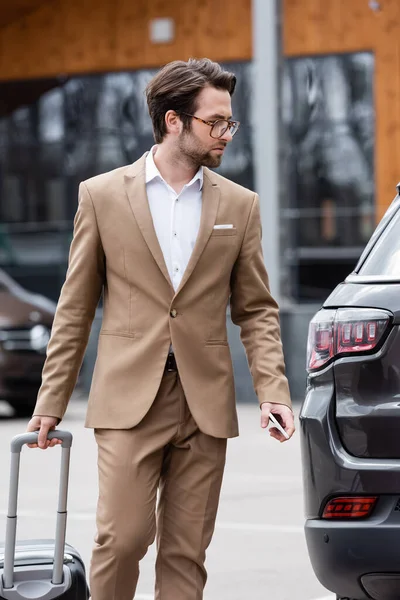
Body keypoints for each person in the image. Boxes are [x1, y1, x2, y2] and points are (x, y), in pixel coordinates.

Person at [26, 58, 295, 600]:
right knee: (121, 540)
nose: (226, 134)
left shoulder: (240, 206)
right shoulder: (101, 195)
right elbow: (75, 307)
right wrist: (50, 400)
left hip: (206, 400)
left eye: (229, 123)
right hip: (128, 397)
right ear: (174, 121)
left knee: (185, 551)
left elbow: (258, 308)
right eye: (215, 122)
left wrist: (272, 390)